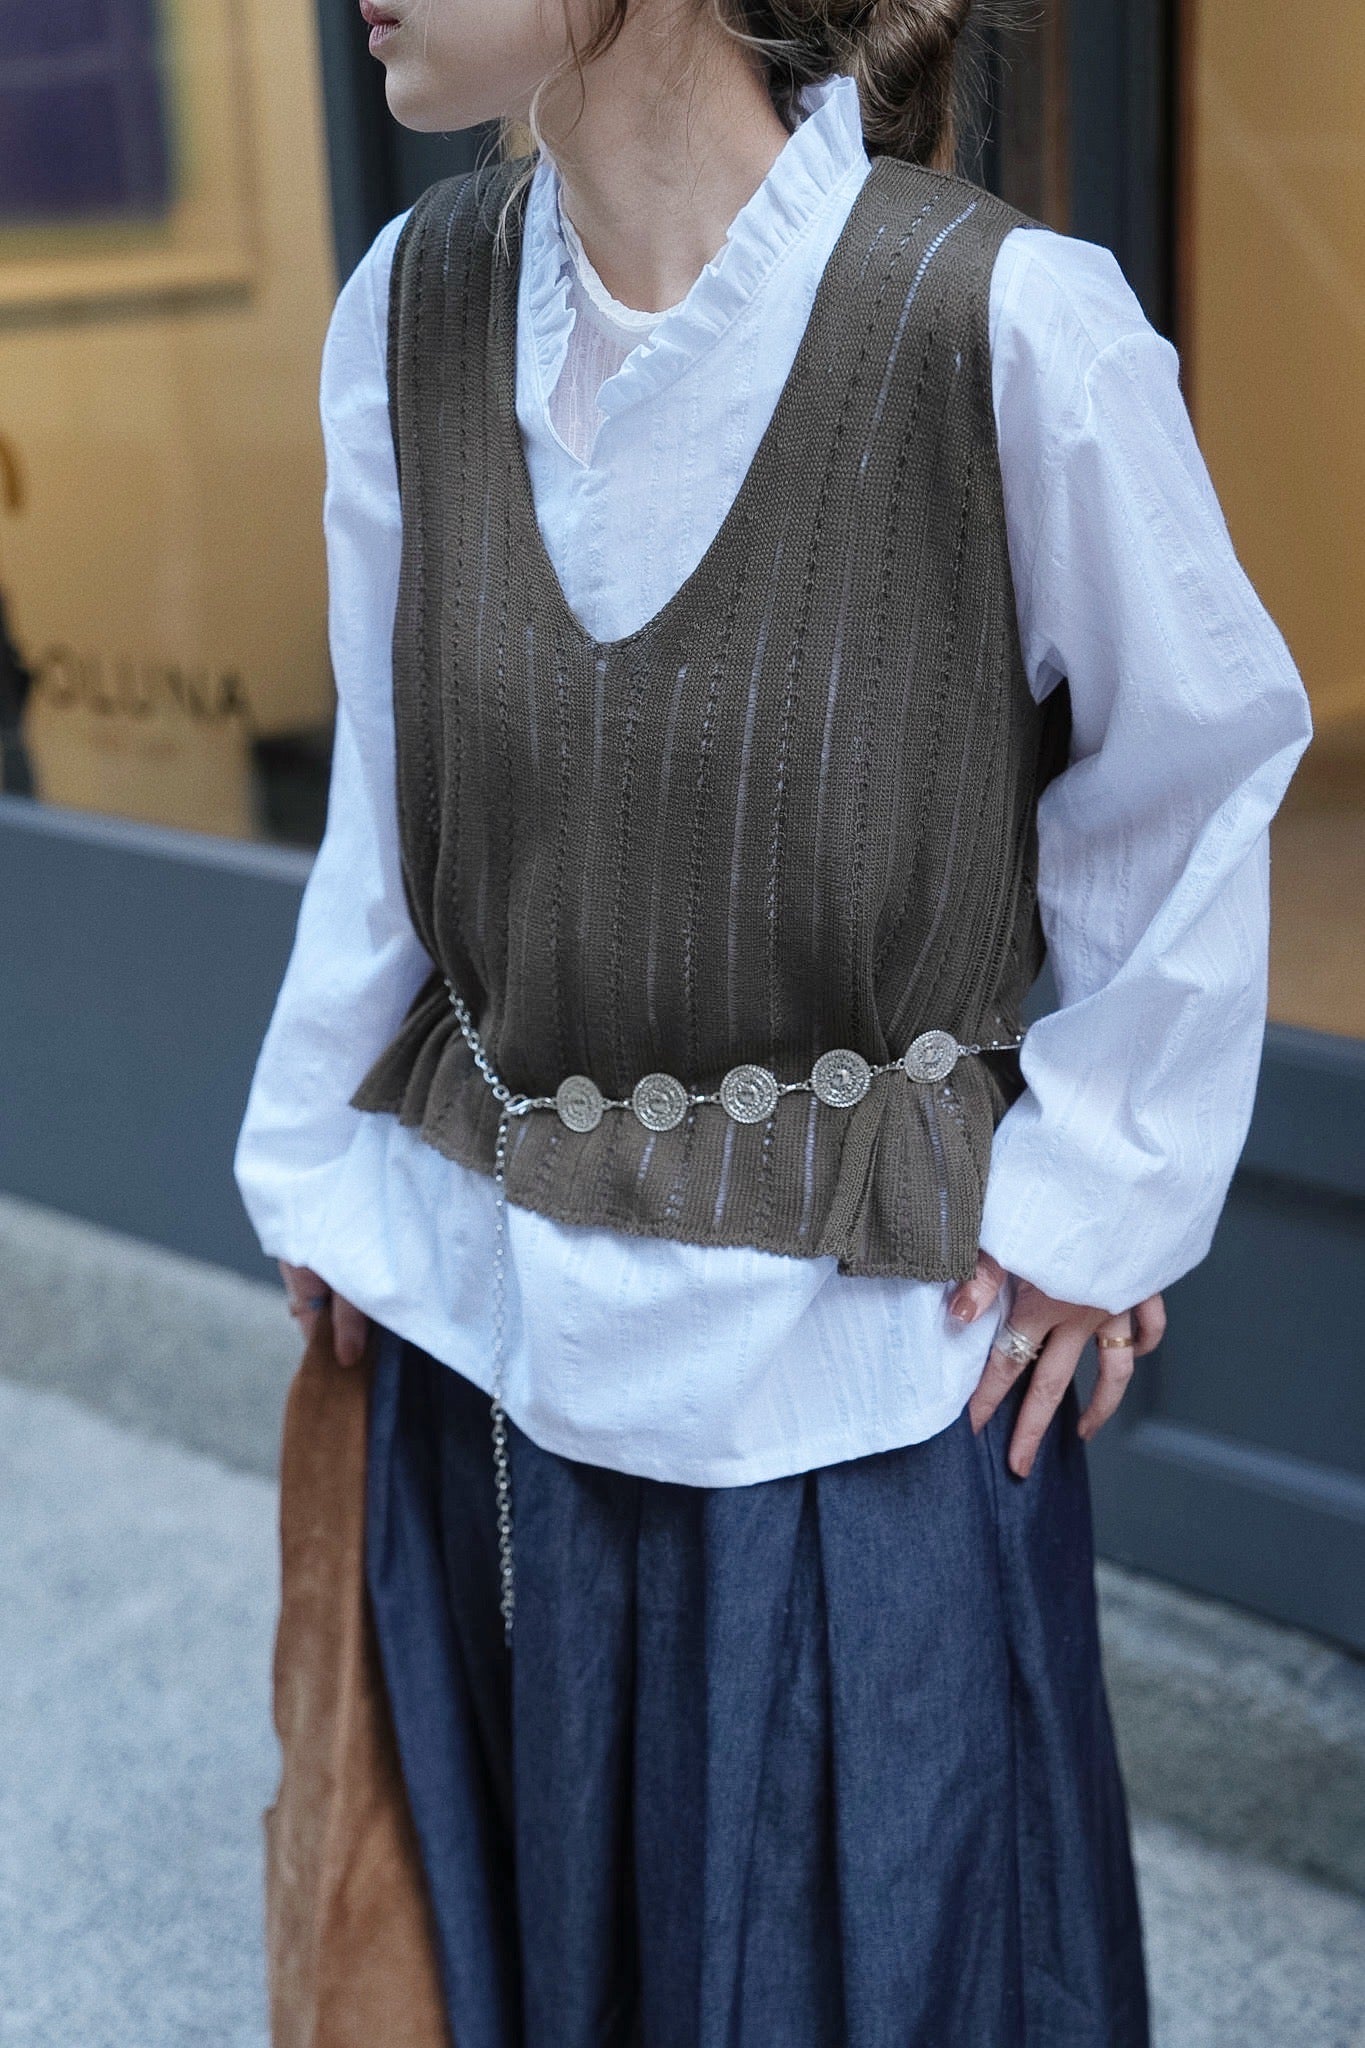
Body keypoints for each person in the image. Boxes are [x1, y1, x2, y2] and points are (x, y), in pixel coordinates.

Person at [235, 1, 1313, 2041]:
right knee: (541, 1958)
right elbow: (388, 797)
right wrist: (319, 1158)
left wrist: (1096, 1196)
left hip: (859, 1374)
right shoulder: (409, 309)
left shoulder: (1002, 325)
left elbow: (1189, 763)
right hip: (487, 1341)